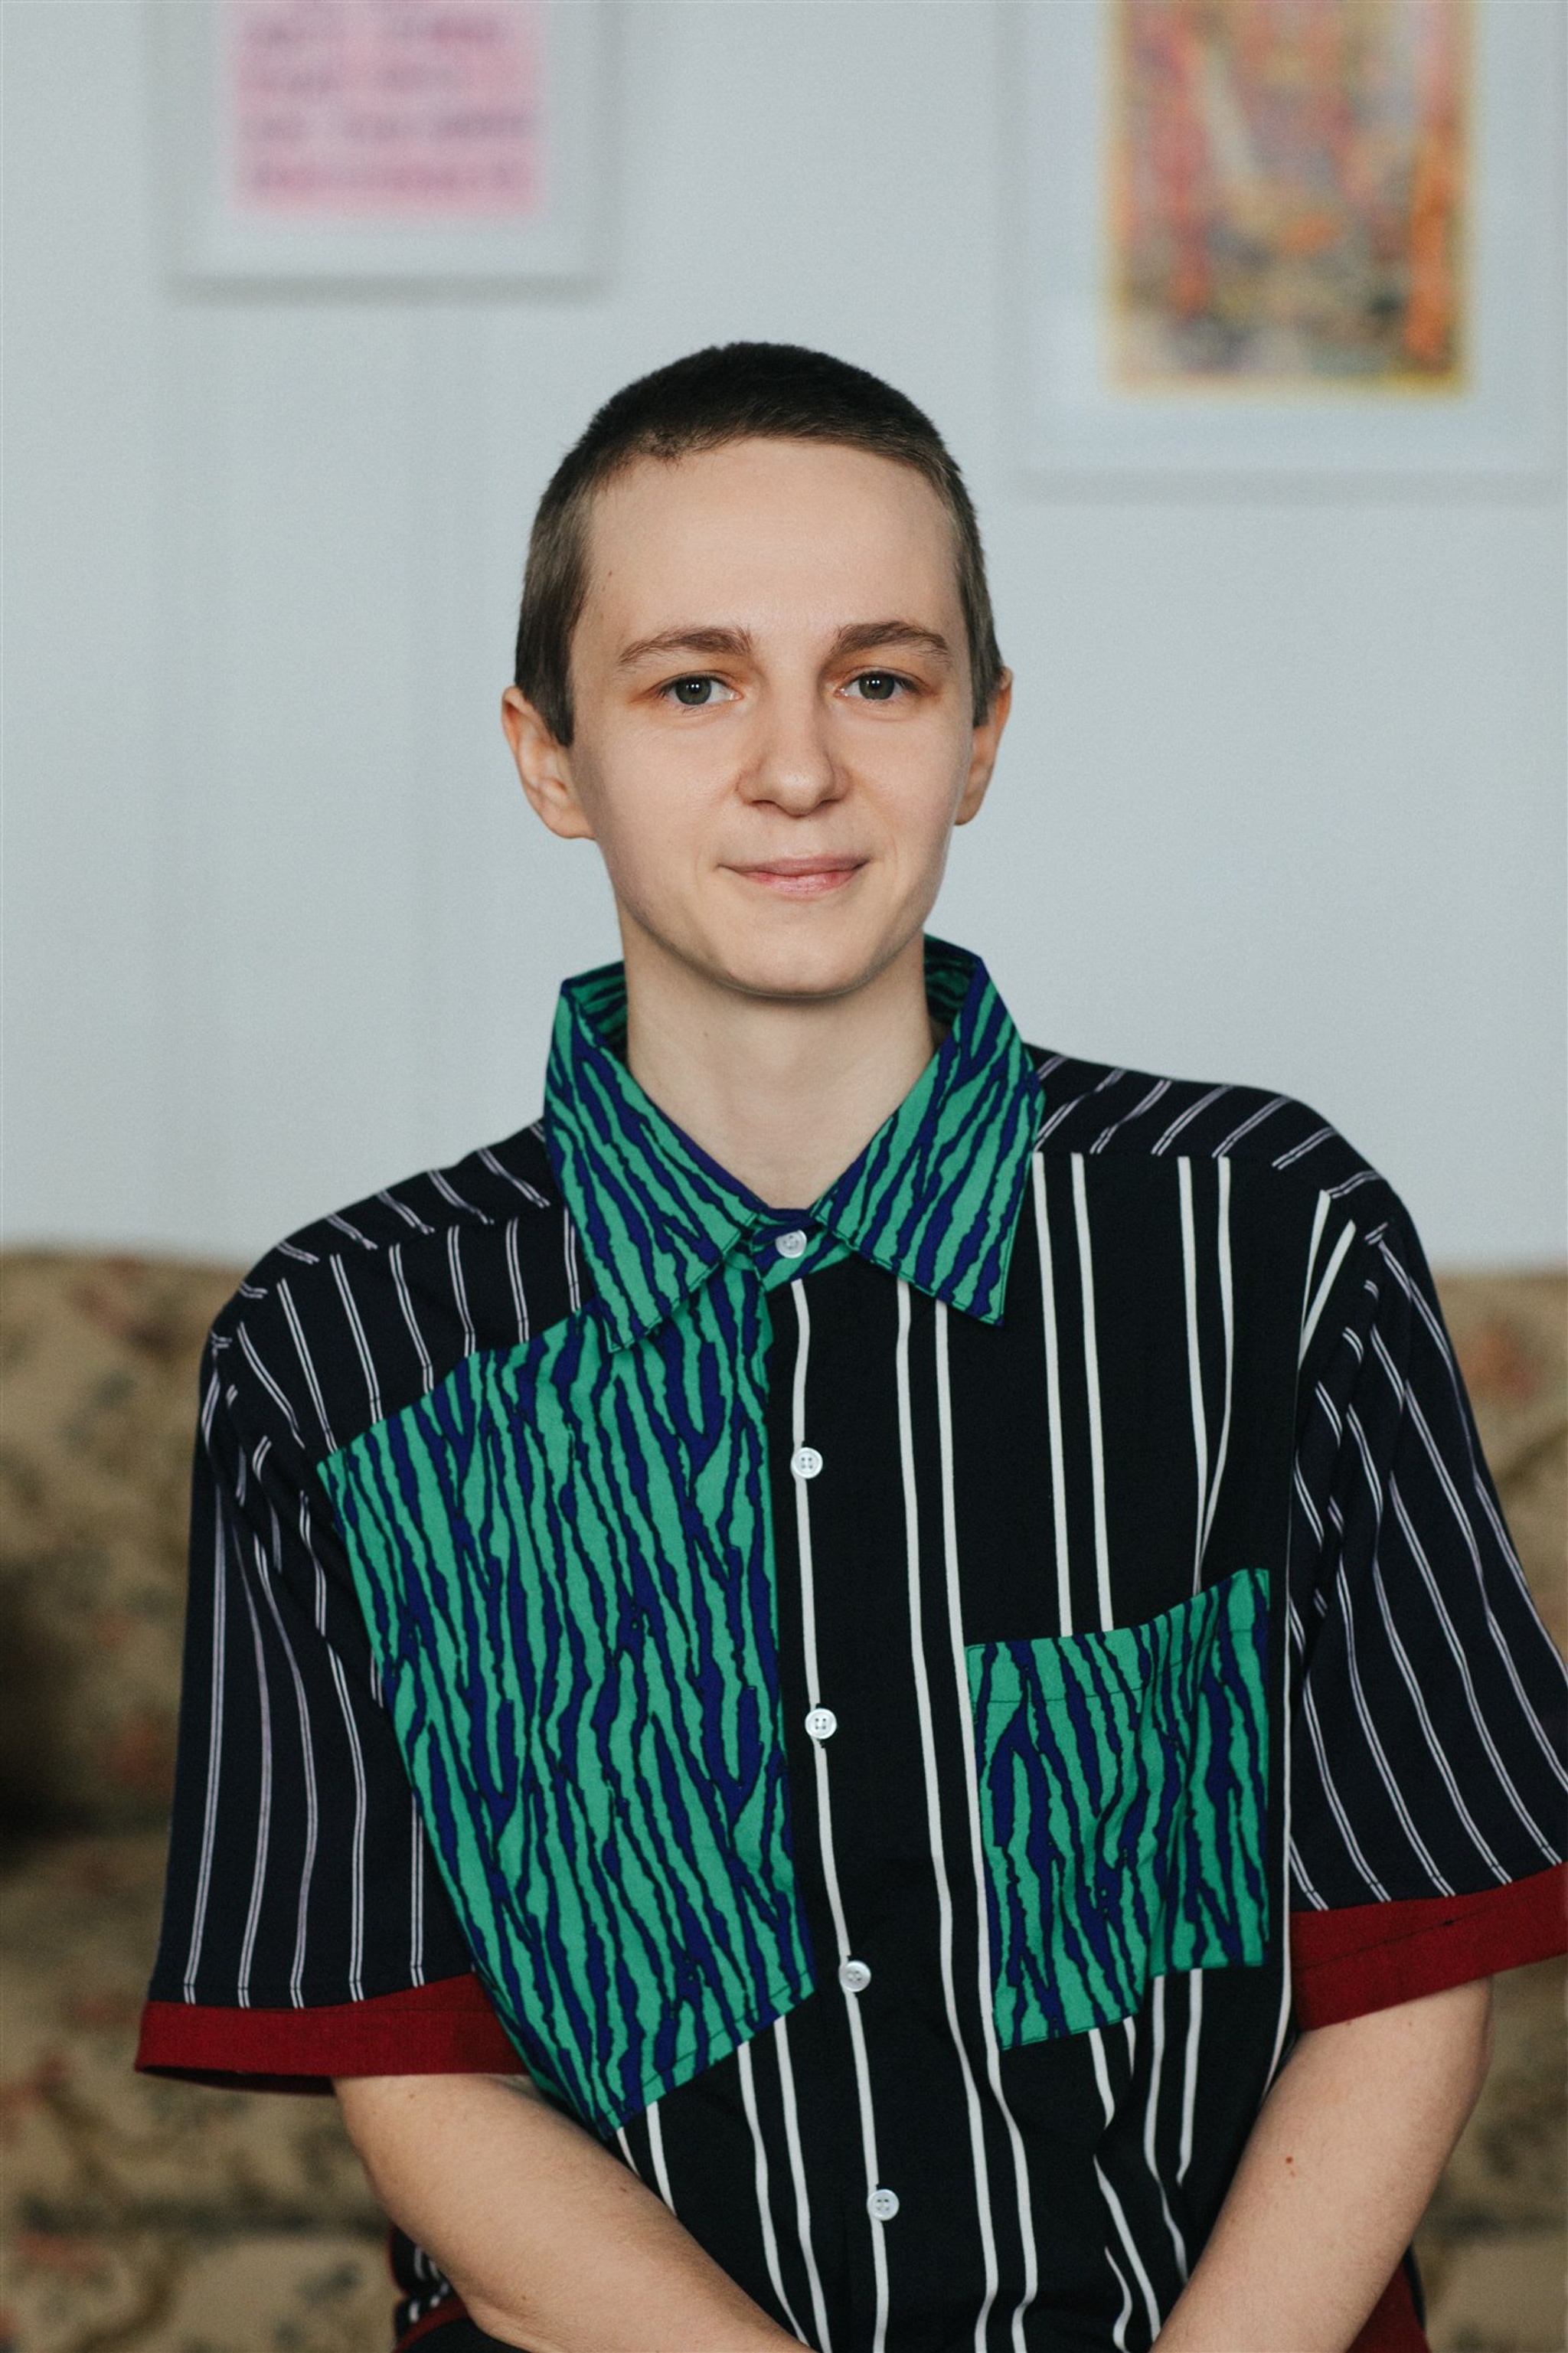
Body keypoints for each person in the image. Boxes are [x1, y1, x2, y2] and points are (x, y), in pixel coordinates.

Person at [139, 344, 1566, 2353]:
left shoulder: (1274, 1240)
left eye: (879, 678)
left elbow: (1410, 1953)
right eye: (693, 681)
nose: (796, 767)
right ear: (550, 752)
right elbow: (424, 2065)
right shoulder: (333, 1353)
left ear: (981, 734)